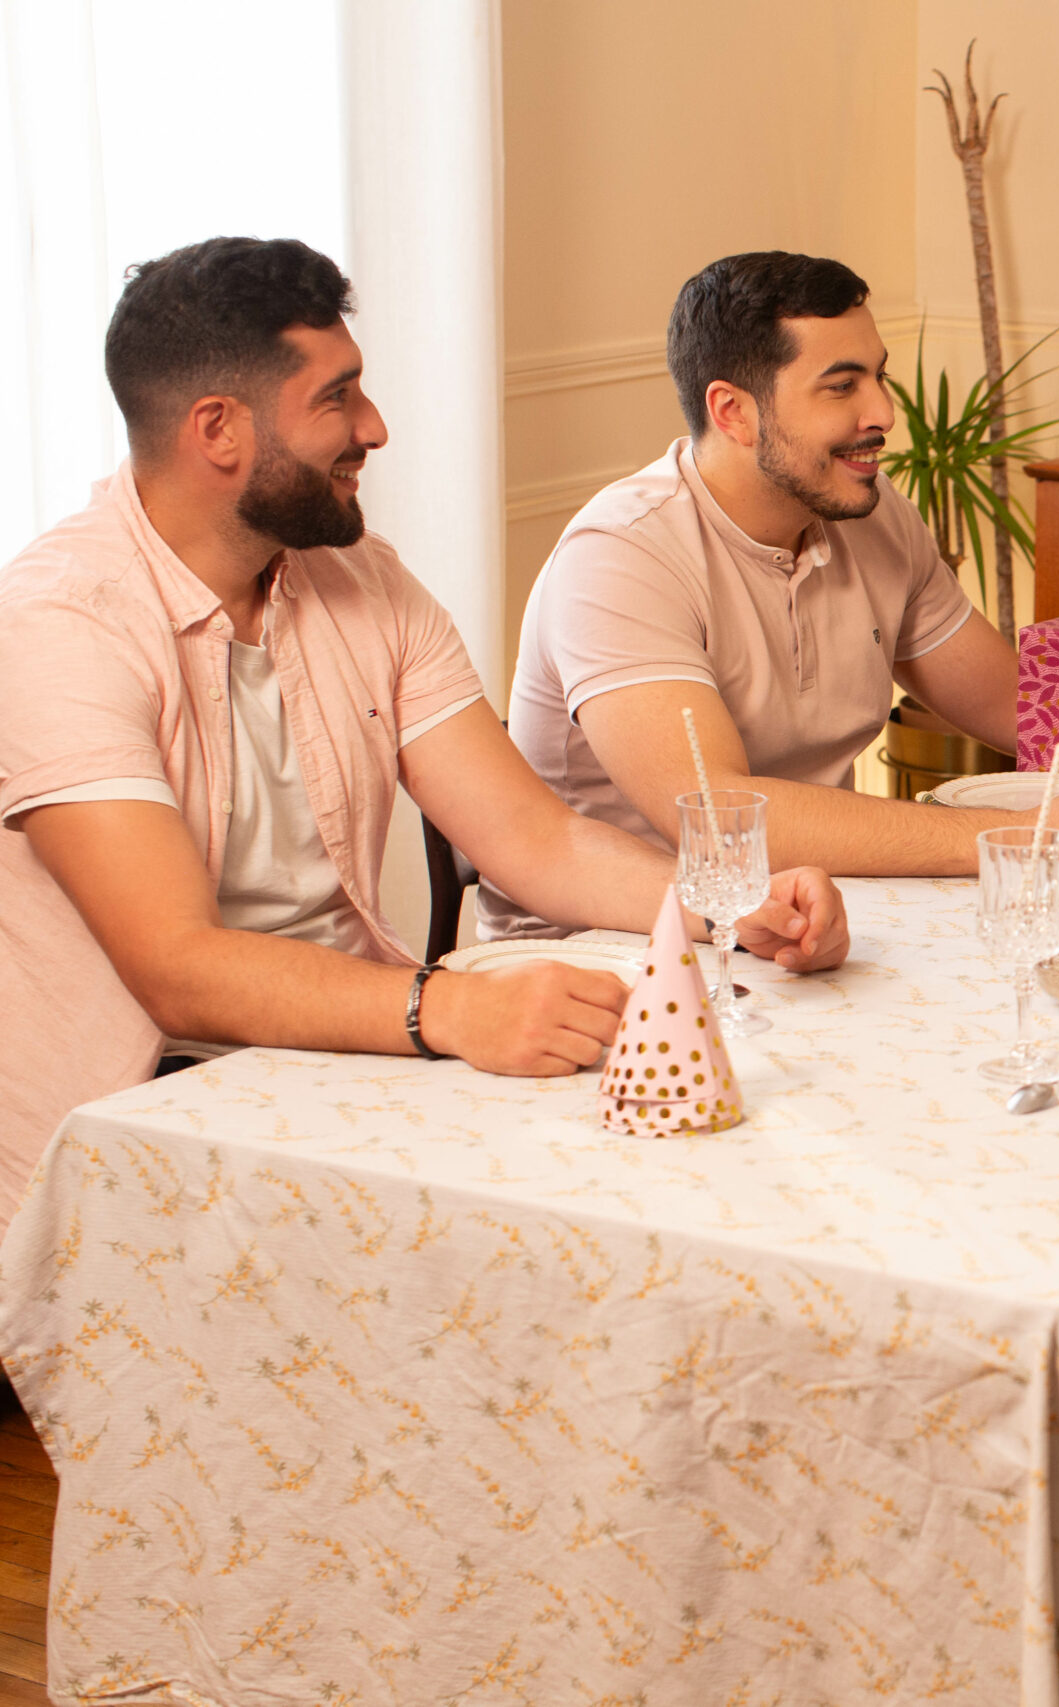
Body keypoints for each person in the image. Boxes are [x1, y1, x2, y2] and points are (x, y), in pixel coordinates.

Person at [0, 238, 849, 1225]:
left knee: (714, 1170)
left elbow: (534, 841)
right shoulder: (58, 627)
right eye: (338, 398)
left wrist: (729, 906)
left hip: (336, 1064)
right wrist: (443, 1009)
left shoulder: (360, 579)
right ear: (217, 430)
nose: (376, 428)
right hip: (132, 1120)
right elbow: (177, 968)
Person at [486, 251, 1059, 934]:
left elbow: (1019, 710)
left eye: (880, 377)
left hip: (810, 922)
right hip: (616, 954)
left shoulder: (870, 514)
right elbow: (722, 821)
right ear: (733, 412)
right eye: (842, 387)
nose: (883, 413)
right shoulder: (620, 556)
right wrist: (1021, 832)